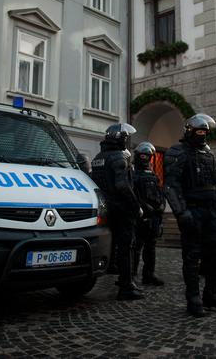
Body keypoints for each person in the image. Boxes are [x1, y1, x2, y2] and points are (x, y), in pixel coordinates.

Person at [164, 113, 216, 317]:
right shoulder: (176, 152)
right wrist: (181, 212)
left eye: (205, 132)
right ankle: (193, 299)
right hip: (192, 208)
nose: (202, 135)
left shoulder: (208, 153)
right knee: (192, 255)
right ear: (189, 131)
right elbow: (171, 185)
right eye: (199, 131)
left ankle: (211, 294)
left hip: (211, 209)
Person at [90, 123, 144, 300]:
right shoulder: (119, 157)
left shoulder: (99, 157)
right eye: (127, 138)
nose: (128, 141)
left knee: (112, 244)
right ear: (121, 139)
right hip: (122, 208)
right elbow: (123, 186)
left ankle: (116, 273)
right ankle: (126, 285)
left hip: (106, 207)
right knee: (126, 247)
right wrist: (136, 207)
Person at [132, 141, 166, 286]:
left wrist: (162, 205)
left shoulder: (153, 174)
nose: (145, 158)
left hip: (154, 217)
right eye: (143, 155)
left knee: (151, 247)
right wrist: (144, 207)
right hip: (141, 217)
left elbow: (159, 192)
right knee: (136, 247)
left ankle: (149, 274)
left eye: (147, 155)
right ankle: (131, 276)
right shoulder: (133, 173)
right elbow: (133, 195)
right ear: (138, 155)